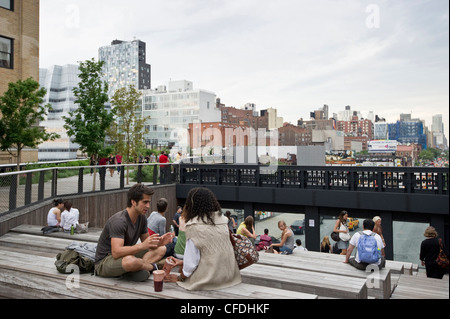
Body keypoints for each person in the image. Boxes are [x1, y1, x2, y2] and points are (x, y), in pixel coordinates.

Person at [164, 187, 241, 291]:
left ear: (191, 205)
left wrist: (180, 278)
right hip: (229, 277)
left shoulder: (193, 226)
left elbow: (191, 264)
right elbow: (212, 254)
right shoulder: (223, 221)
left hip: (207, 281)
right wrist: (182, 262)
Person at [94, 184, 173, 282]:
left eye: (148, 202)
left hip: (126, 255)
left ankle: (135, 268)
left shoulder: (142, 217)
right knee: (130, 261)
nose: (148, 206)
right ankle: (152, 267)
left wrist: (160, 242)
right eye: (145, 202)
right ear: (133, 202)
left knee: (161, 249)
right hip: (105, 262)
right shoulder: (119, 221)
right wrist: (142, 246)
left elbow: (148, 245)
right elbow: (116, 253)